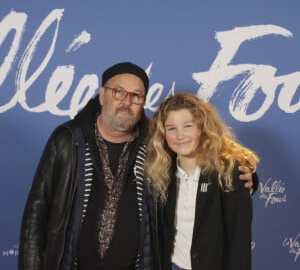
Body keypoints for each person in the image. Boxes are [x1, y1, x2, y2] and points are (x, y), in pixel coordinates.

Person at [18, 62, 256, 270]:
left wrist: (247, 175)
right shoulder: (67, 139)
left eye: (136, 95)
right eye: (118, 92)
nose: (126, 101)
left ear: (143, 101)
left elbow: (202, 153)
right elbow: (36, 214)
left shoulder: (156, 142)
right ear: (102, 95)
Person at [145, 92, 259, 270]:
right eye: (171, 128)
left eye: (188, 126)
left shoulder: (229, 173)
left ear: (202, 128)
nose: (180, 135)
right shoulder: (160, 173)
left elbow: (239, 241)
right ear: (163, 134)